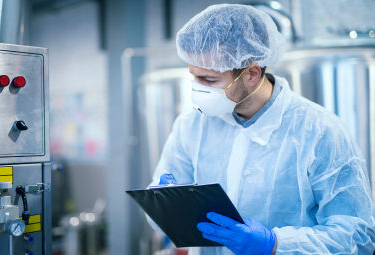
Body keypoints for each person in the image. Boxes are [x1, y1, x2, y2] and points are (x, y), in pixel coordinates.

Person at [147, 4, 375, 255]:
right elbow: (162, 213)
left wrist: (274, 244)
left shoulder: (319, 131)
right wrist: (162, 203)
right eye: (194, 77)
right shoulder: (192, 125)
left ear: (252, 74)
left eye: (209, 80)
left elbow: (357, 236)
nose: (197, 89)